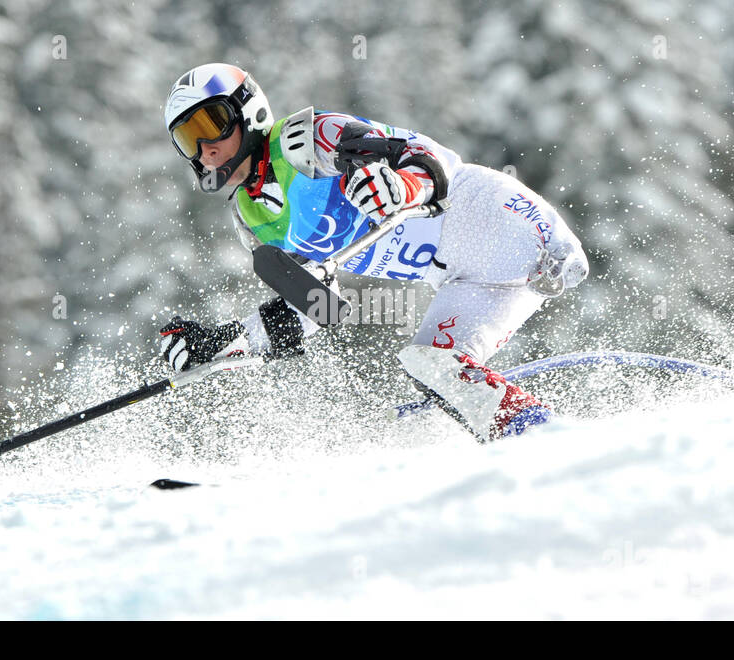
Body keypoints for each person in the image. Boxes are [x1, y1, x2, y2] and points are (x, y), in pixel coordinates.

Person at [159, 63, 588, 441]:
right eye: (188, 139)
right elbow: (316, 305)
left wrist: (403, 185)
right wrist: (222, 343)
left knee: (432, 372)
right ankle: (538, 437)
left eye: (211, 124)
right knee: (433, 367)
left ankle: (540, 441)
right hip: (465, 278)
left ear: (247, 110)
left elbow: (423, 156)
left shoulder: (303, 141)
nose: (205, 149)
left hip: (495, 218)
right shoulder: (253, 220)